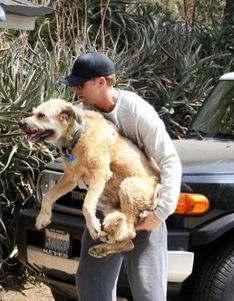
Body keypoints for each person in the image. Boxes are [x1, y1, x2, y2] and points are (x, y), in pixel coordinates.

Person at [61, 52, 182, 301]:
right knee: (90, 284)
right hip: (107, 211)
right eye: (74, 85)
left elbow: (170, 160)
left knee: (148, 292)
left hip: (142, 210)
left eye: (80, 85)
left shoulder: (136, 111)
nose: (75, 90)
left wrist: (160, 213)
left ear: (102, 82)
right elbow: (70, 154)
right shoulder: (83, 113)